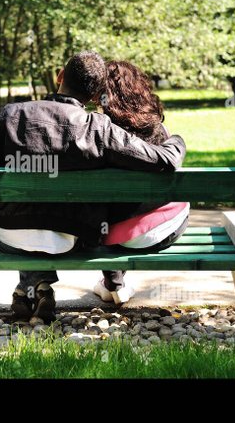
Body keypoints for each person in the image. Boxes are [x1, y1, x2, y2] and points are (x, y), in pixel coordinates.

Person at [0, 51, 186, 322]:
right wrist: (175, 141)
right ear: (97, 96)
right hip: (67, 240)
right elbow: (161, 160)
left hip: (10, 236)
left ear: (60, 75)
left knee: (7, 217)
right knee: (49, 217)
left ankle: (33, 284)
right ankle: (85, 283)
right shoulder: (99, 128)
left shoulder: (11, 114)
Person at [92, 61, 190, 304]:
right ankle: (112, 283)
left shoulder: (98, 134)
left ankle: (112, 281)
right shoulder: (159, 129)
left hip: (116, 236)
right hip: (165, 230)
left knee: (109, 212)